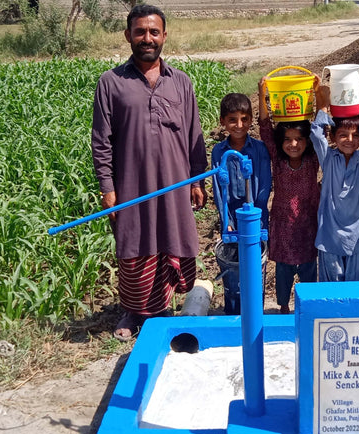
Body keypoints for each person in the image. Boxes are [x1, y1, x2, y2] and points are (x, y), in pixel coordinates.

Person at [91, 4, 208, 341]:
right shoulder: (111, 83)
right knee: (134, 243)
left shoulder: (181, 82)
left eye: (154, 32)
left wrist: (197, 179)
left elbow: (193, 134)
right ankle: (133, 310)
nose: (147, 38)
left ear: (164, 36)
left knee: (171, 239)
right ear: (128, 36)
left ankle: (162, 309)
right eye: (140, 32)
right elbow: (102, 140)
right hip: (131, 183)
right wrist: (107, 186)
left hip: (174, 182)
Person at [258, 78, 320, 314]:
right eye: (287, 139)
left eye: (299, 139)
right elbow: (265, 126)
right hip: (284, 225)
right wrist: (262, 93)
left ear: (307, 141)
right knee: (283, 268)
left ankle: (308, 308)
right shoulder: (277, 158)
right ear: (280, 142)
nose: (293, 144)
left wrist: (316, 93)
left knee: (308, 268)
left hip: (308, 223)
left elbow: (321, 125)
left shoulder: (313, 159)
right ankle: (283, 306)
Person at [310, 85, 359, 282]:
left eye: (355, 136)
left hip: (355, 234)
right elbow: (317, 135)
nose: (349, 140)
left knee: (356, 287)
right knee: (332, 289)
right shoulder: (328, 158)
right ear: (333, 137)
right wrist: (324, 107)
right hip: (330, 234)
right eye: (343, 135)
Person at [211, 92, 271, 315]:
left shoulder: (259, 150)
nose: (239, 125)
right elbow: (219, 189)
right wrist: (226, 219)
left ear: (251, 119)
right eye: (232, 120)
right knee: (232, 270)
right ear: (223, 122)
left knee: (256, 268)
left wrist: (257, 217)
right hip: (231, 220)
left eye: (244, 119)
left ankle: (256, 313)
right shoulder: (219, 152)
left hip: (255, 217)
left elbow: (264, 185)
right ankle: (233, 313)